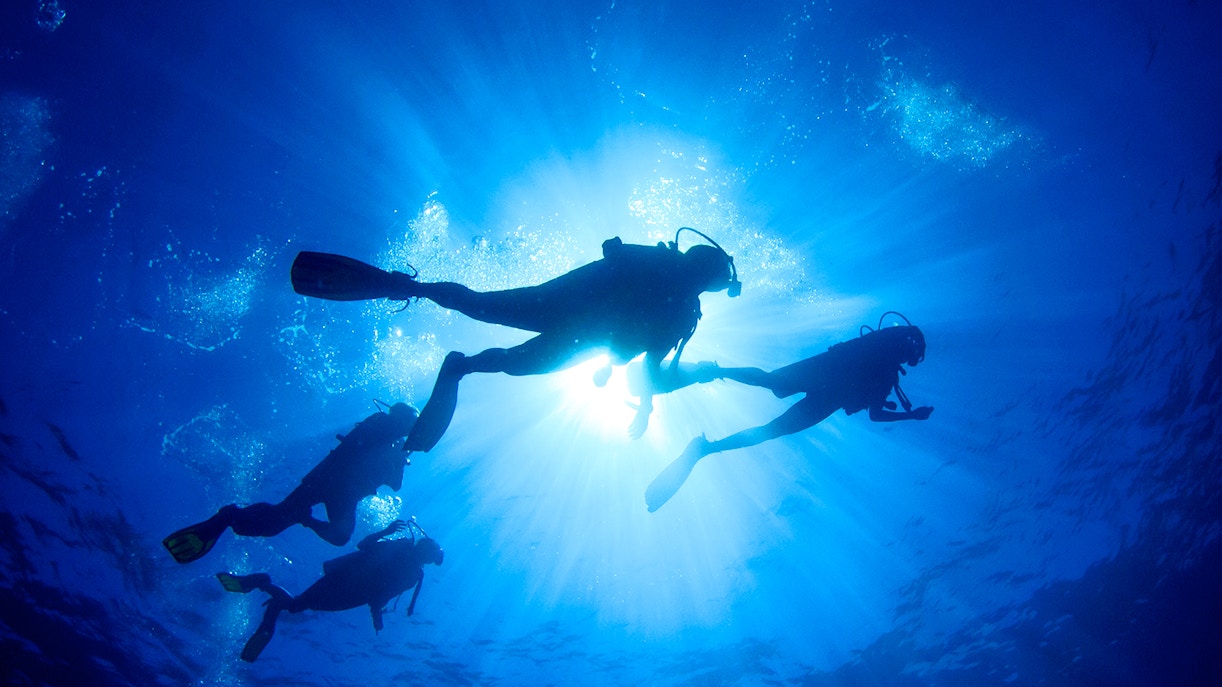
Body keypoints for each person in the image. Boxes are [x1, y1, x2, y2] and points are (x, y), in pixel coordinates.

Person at [291, 228, 741, 451]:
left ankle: (452, 352)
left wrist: (644, 404)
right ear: (713, 281)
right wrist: (644, 406)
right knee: (490, 318)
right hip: (574, 319)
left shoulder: (679, 304)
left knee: (508, 347)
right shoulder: (678, 301)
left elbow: (646, 360)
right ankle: (415, 293)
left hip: (576, 324)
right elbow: (649, 366)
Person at [645, 315, 934, 511]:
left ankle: (712, 380)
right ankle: (706, 445)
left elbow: (874, 414)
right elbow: (876, 415)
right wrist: (911, 415)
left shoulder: (883, 365)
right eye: (913, 356)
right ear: (909, 348)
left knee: (772, 393)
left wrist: (911, 415)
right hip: (829, 386)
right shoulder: (885, 367)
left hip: (825, 376)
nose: (910, 360)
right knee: (772, 417)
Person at [162, 403, 419, 563]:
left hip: (340, 490)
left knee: (333, 534)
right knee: (277, 522)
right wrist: (400, 456)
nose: (409, 430)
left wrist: (402, 458)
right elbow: (387, 474)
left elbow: (394, 484)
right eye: (410, 425)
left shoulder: (392, 443)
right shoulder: (382, 433)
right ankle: (230, 516)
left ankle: (247, 517)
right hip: (330, 481)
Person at [216, 519, 444, 662]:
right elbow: (380, 591)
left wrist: (386, 531)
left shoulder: (405, 561)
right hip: (347, 589)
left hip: (345, 584)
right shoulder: (407, 565)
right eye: (430, 556)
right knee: (296, 606)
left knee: (296, 605)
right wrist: (376, 616)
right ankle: (263, 585)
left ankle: (266, 591)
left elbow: (365, 552)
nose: (426, 558)